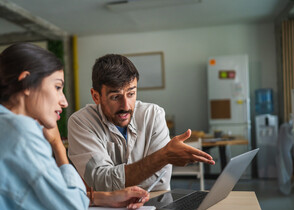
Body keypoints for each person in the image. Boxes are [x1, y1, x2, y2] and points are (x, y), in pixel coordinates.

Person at [0, 43, 149, 210]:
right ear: (26, 83)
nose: (64, 101)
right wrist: (58, 145)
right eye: (58, 87)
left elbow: (35, 197)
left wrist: (102, 198)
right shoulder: (19, 136)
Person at [68, 54, 215, 192]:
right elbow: (101, 182)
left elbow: (160, 182)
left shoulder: (153, 115)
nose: (126, 106)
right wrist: (162, 157)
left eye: (131, 94)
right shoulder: (81, 122)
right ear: (96, 96)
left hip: (155, 203)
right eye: (115, 97)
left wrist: (114, 183)